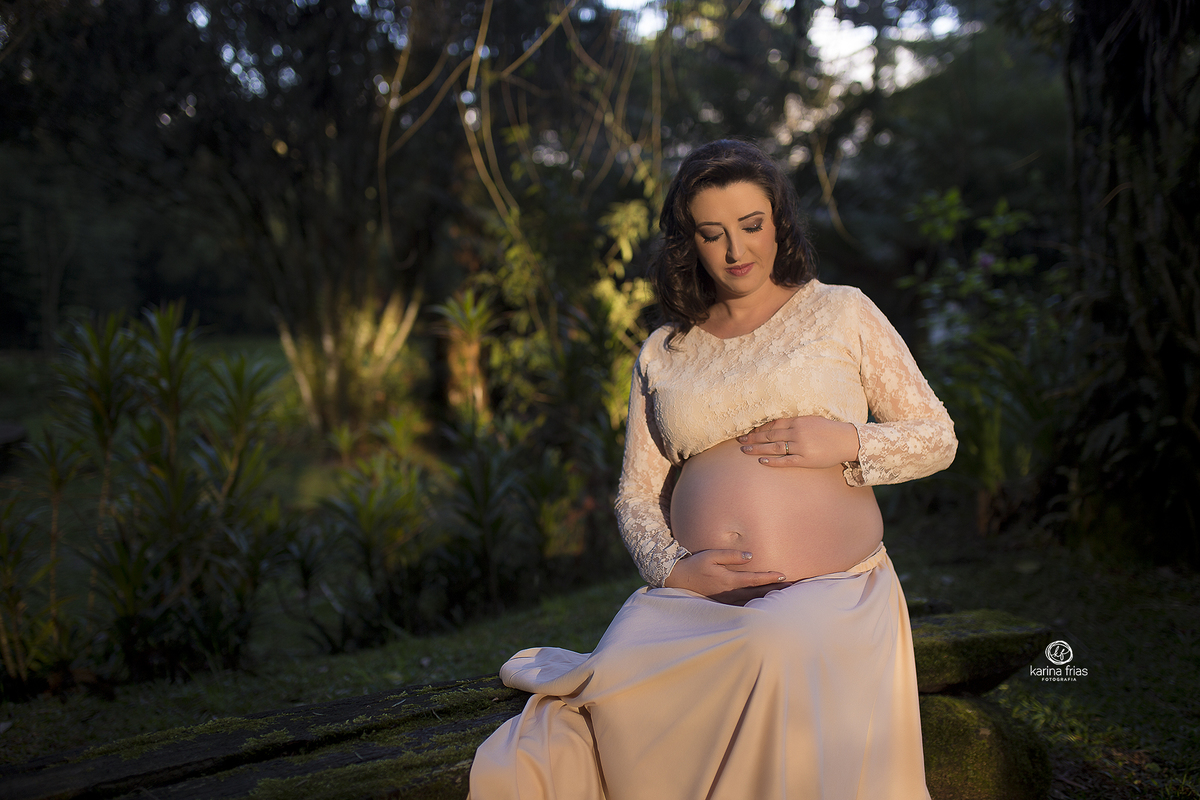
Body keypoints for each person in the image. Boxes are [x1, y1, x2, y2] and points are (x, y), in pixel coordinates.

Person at [469, 139, 957, 800]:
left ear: (779, 222)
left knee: (774, 640)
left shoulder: (842, 311)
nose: (736, 250)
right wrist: (671, 569)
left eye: (752, 226)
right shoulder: (664, 350)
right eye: (712, 233)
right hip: (702, 600)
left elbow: (936, 437)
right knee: (612, 678)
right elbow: (636, 493)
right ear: (688, 242)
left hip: (831, 593)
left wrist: (844, 440)